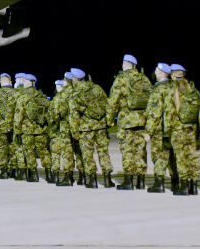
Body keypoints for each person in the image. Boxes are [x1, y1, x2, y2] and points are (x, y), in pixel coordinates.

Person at [107, 54, 151, 190]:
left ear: (124, 65)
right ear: (135, 66)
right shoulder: (144, 78)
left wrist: (109, 119)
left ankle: (128, 181)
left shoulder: (121, 79)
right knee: (140, 150)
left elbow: (113, 101)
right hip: (142, 119)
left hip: (126, 120)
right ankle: (141, 181)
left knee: (127, 150)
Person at [69, 68, 115, 188]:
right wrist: (109, 121)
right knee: (103, 152)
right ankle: (107, 180)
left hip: (86, 128)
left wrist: (75, 132)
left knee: (87, 154)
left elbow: (73, 115)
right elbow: (108, 105)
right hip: (101, 126)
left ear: (74, 79)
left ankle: (92, 180)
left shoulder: (74, 93)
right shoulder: (96, 88)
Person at [166, 64, 200, 195]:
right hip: (193, 128)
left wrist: (166, 132)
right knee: (193, 156)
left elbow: (169, 113)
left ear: (173, 75)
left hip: (178, 129)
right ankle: (194, 186)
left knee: (181, 157)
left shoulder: (173, 90)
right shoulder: (193, 89)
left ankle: (184, 186)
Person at [145, 63, 178, 193]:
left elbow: (155, 113)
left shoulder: (158, 90)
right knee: (173, 156)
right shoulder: (174, 87)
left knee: (159, 155)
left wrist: (148, 131)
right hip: (175, 129)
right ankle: (176, 183)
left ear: (161, 73)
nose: (154, 72)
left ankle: (159, 184)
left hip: (161, 129)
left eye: (156, 70)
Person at [15, 74, 51, 181]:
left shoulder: (23, 96)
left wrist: (17, 129)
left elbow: (19, 115)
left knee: (29, 151)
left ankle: (33, 175)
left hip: (28, 129)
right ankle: (49, 173)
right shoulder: (41, 95)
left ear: (26, 83)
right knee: (43, 151)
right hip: (41, 129)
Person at [49, 76, 75, 185]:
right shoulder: (74, 94)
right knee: (71, 151)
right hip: (73, 128)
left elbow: (54, 115)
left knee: (58, 152)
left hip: (59, 128)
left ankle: (58, 175)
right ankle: (74, 176)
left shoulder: (59, 98)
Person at [0, 73, 17, 178]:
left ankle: (4, 171)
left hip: (1, 125)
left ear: (1, 82)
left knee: (1, 148)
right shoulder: (16, 93)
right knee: (13, 146)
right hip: (14, 124)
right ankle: (14, 170)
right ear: (11, 82)